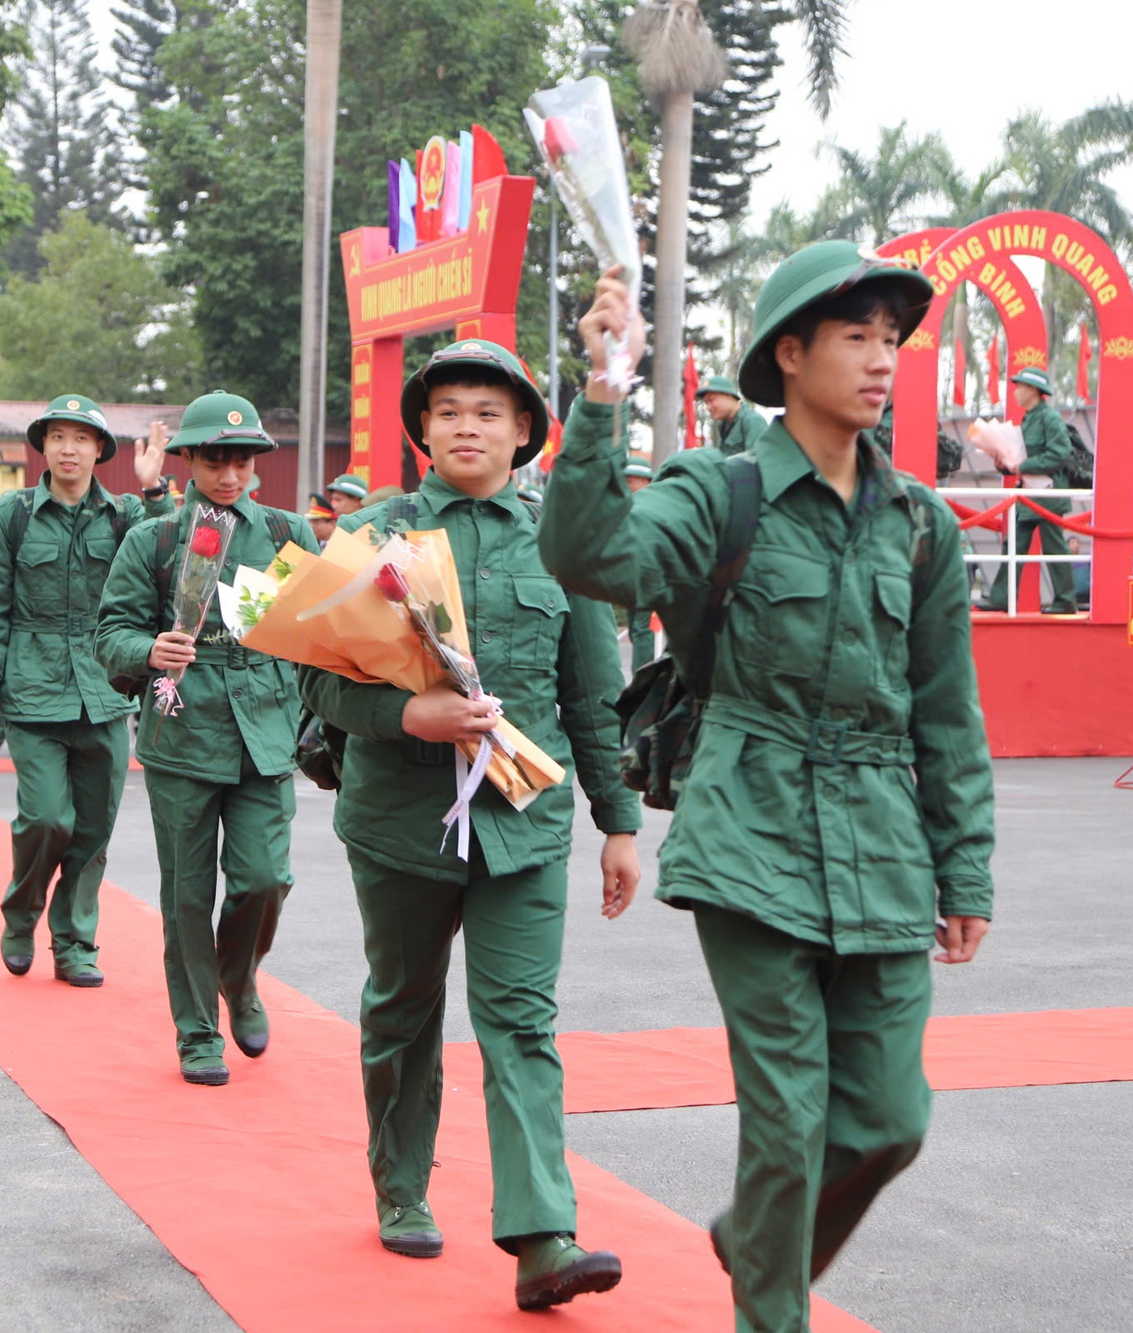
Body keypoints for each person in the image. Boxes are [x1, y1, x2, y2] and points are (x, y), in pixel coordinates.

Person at [539, 244, 996, 1333]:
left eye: (890, 338)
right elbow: (595, 558)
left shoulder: (919, 522)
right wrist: (604, 393)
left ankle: (754, 1243)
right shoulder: (721, 488)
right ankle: (770, 1313)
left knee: (888, 1119)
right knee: (787, 1122)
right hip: (748, 829)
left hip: (883, 839)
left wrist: (963, 860)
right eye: (854, 336)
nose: (880, 359)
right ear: (787, 354)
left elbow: (945, 708)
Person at [299, 338, 642, 1311]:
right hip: (400, 819)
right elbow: (316, 673)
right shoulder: (372, 532)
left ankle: (542, 1235)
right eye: (446, 409)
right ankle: (400, 1182)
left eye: (487, 411)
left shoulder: (558, 547)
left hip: (524, 825)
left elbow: (591, 695)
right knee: (403, 1006)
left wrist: (616, 821)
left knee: (520, 1022)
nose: (464, 426)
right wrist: (406, 714)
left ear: (524, 431)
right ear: (422, 428)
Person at [98, 391, 319, 1082]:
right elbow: (110, 633)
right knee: (188, 894)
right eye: (216, 460)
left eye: (243, 460)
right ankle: (197, 1031)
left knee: (263, 879)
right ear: (189, 459)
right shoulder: (157, 538)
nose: (230, 474)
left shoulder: (286, 535)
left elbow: (316, 632)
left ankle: (240, 977)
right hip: (183, 730)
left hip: (264, 726)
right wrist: (147, 649)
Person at [0, 394, 163, 987]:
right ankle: (21, 914)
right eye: (57, 437)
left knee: (94, 829)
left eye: (81, 438)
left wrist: (155, 491)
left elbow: (171, 557)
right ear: (43, 447)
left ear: (101, 450)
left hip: (105, 689)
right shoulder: (11, 515)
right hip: (32, 688)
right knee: (48, 819)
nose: (68, 448)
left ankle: (74, 941)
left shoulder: (126, 515)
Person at [978, 368, 1077, 615]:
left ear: (1033, 390)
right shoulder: (1029, 418)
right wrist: (1005, 464)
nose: (1016, 392)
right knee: (1014, 544)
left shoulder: (1049, 418)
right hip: (1029, 494)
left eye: (1020, 387)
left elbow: (1060, 453)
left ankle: (1065, 600)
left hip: (1048, 494)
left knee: (1054, 547)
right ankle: (1002, 598)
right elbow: (1023, 455)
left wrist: (1023, 466)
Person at [623, 456, 657, 672]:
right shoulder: (629, 508)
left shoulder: (652, 505)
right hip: (634, 577)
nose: (626, 485)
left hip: (652, 576)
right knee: (637, 631)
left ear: (645, 481)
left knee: (644, 631)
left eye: (631, 481)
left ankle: (642, 683)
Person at [702, 373, 768, 456]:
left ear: (728, 395)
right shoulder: (723, 425)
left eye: (711, 400)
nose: (708, 407)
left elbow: (758, 462)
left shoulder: (752, 421)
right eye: (706, 403)